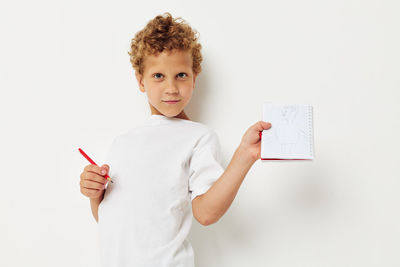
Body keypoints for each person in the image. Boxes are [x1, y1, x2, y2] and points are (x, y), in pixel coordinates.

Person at [79, 12, 272, 267]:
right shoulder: (122, 143)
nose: (171, 87)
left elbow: (205, 214)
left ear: (194, 78)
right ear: (141, 81)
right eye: (158, 76)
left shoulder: (198, 137)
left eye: (181, 75)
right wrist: (95, 194)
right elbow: (109, 219)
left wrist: (244, 156)